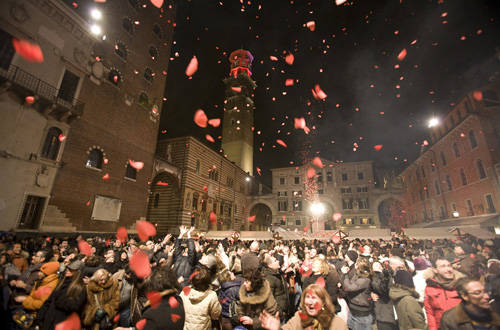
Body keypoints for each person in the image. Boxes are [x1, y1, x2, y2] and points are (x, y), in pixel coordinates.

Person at [259, 284, 348, 330]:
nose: (309, 302)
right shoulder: (299, 317)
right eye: (307, 297)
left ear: (323, 302)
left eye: (314, 298)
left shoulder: (336, 323)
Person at [36, 260, 87, 330]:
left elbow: (75, 306)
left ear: (78, 272)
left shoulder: (80, 288)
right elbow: (49, 301)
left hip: (62, 323)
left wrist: (59, 300)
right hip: (48, 319)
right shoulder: (62, 282)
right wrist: (39, 317)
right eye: (67, 268)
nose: (67, 270)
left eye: (71, 270)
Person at [233, 253, 278, 329]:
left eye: (247, 282)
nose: (244, 284)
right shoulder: (244, 291)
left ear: (253, 283)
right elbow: (240, 308)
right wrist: (241, 317)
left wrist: (254, 322)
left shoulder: (265, 292)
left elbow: (272, 314)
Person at [425, 255, 464, 330]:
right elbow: (430, 314)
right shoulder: (430, 288)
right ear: (435, 270)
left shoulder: (461, 284)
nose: (448, 269)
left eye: (449, 266)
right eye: (443, 266)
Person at [341, 257, 373, 330]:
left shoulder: (365, 279)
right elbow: (350, 283)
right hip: (353, 310)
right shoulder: (358, 275)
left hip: (361, 314)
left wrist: (345, 275)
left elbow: (349, 287)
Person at [371, 261, 397, 330]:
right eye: (376, 266)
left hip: (392, 309)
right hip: (383, 312)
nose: (379, 266)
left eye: (379, 265)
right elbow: (382, 289)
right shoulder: (373, 278)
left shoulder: (388, 275)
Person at [263, 254, 290, 320]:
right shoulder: (269, 278)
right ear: (270, 265)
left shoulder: (278, 274)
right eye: (275, 261)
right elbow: (269, 299)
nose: (278, 261)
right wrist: (280, 312)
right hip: (277, 315)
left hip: (284, 311)